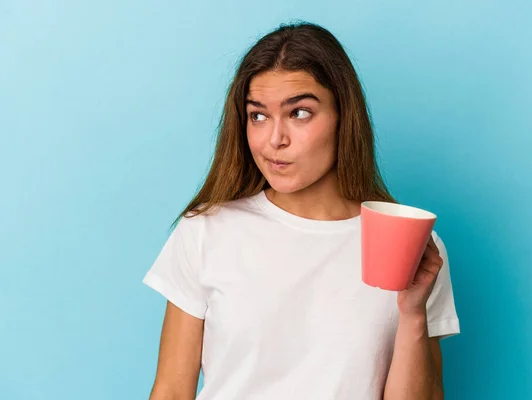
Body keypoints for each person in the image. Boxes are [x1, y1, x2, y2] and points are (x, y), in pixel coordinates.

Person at [143, 21, 460, 400]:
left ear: (344, 117)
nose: (275, 139)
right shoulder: (206, 231)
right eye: (258, 116)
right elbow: (172, 392)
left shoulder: (412, 247)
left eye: (300, 113)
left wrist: (411, 314)